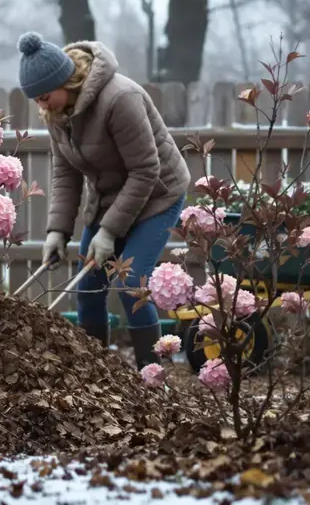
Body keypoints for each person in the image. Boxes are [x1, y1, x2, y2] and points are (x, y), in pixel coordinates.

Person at [17, 32, 190, 369]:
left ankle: (153, 376)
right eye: (35, 100)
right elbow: (65, 171)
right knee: (89, 284)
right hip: (110, 196)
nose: (41, 105)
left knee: (130, 284)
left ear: (64, 80)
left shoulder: (119, 98)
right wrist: (58, 231)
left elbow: (146, 171)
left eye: (44, 96)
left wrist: (109, 232)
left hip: (157, 194)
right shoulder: (58, 113)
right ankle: (94, 375)